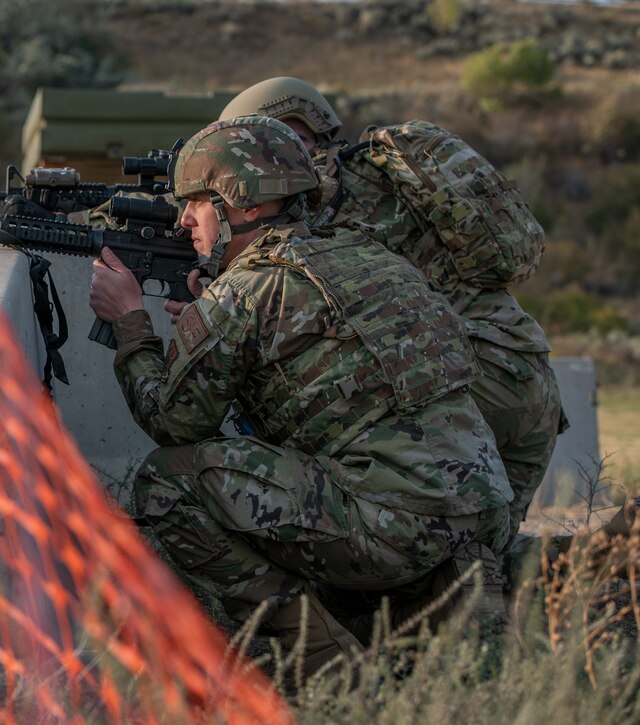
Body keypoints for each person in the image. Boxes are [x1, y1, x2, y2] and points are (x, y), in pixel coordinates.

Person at [88, 116, 513, 677]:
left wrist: (131, 324)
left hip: (392, 530)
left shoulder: (248, 288)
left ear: (243, 205)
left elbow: (173, 421)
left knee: (167, 481)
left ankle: (332, 673)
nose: (183, 218)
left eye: (196, 202)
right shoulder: (373, 258)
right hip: (482, 518)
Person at [218, 78, 567, 579]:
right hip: (526, 378)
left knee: (436, 564)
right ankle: (605, 561)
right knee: (481, 557)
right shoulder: (387, 180)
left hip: (459, 389)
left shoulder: (304, 203)